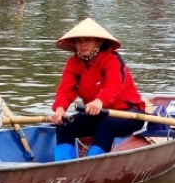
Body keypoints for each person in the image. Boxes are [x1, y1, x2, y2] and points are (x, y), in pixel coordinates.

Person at [51, 18, 146, 161]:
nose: (83, 45)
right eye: (78, 41)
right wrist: (59, 108)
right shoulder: (73, 63)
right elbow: (65, 89)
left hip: (128, 113)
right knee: (64, 124)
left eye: (87, 40)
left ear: (98, 41)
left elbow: (114, 86)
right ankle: (64, 165)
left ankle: (91, 165)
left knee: (107, 124)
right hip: (98, 114)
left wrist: (99, 101)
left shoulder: (111, 59)